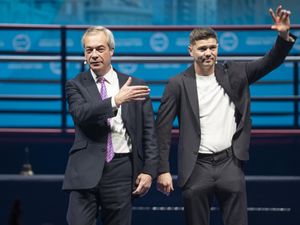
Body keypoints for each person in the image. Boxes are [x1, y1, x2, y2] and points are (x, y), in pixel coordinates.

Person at [155, 5, 296, 225]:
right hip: (196, 167)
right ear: (190, 51)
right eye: (202, 48)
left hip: (230, 162)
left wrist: (283, 36)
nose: (208, 53)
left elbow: (271, 61)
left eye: (212, 47)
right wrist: (162, 169)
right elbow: (162, 131)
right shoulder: (177, 84)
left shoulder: (236, 73)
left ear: (218, 49)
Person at [62, 26, 158, 225]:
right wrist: (115, 100)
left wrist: (149, 170)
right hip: (85, 169)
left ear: (111, 51)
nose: (94, 55)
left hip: (122, 169)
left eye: (100, 49)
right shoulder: (75, 84)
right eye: (89, 50)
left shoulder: (134, 85)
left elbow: (149, 132)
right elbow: (81, 114)